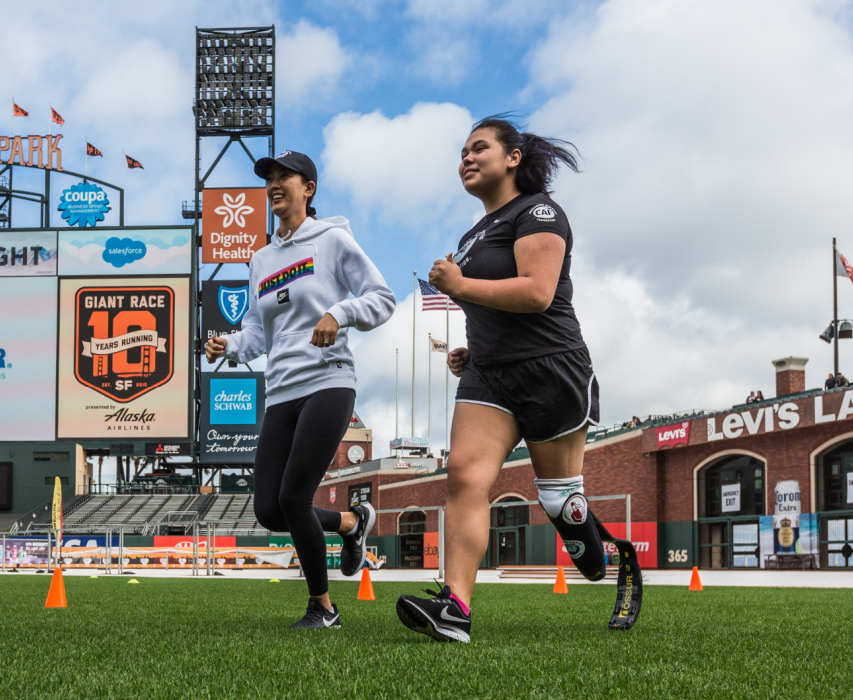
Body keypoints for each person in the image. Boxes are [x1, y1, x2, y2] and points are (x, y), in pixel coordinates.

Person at [402, 114, 606, 643]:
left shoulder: (539, 211)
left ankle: (604, 549)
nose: (466, 159)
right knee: (464, 476)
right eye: (462, 153)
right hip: (489, 378)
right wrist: (475, 349)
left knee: (560, 501)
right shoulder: (471, 237)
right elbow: (492, 307)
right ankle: (455, 608)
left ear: (513, 158)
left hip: (551, 369)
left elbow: (537, 293)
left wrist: (462, 286)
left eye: (479, 148)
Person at [204, 149, 395, 629]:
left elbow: (382, 298)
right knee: (270, 510)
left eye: (284, 175)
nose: (274, 183)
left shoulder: (331, 239)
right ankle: (352, 523)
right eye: (269, 177)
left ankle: (323, 608)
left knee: (294, 497)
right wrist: (227, 345)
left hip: (329, 381)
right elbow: (256, 336)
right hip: (281, 391)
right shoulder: (261, 259)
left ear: (308, 188)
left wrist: (340, 312)